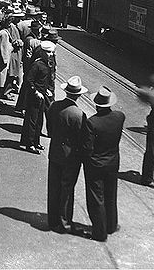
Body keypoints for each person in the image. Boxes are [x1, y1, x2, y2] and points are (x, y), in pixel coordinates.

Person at [46, 76, 92, 234]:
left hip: (54, 152)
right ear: (79, 95)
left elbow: (49, 129)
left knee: (53, 187)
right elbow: (83, 140)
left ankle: (52, 220)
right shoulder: (79, 115)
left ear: (66, 91)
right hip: (71, 157)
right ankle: (64, 223)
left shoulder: (54, 106)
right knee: (67, 190)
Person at [84, 86, 125, 242]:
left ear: (96, 105)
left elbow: (88, 148)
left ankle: (100, 233)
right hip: (113, 162)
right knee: (111, 194)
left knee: (97, 198)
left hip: (96, 165)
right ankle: (111, 225)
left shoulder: (92, 123)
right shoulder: (120, 117)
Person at [19, 40, 55, 154]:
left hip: (42, 96)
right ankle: (29, 144)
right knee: (32, 120)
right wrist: (36, 92)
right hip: (35, 97)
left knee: (39, 120)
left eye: (51, 52)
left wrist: (48, 90)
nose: (51, 54)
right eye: (48, 52)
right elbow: (29, 80)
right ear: (43, 52)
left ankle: (36, 141)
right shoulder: (37, 64)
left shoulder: (46, 64)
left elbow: (47, 79)